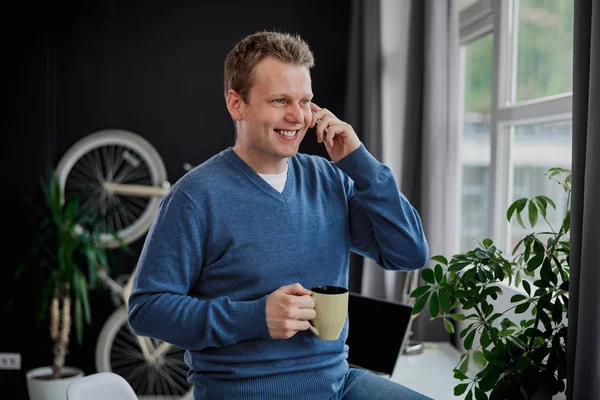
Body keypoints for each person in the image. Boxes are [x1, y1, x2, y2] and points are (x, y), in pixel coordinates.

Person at [128, 30, 431, 400]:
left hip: (337, 383)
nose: (297, 116)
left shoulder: (330, 179)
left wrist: (361, 164)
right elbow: (147, 310)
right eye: (279, 100)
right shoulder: (195, 197)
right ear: (236, 104)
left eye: (305, 101)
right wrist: (255, 317)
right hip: (245, 391)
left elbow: (409, 253)